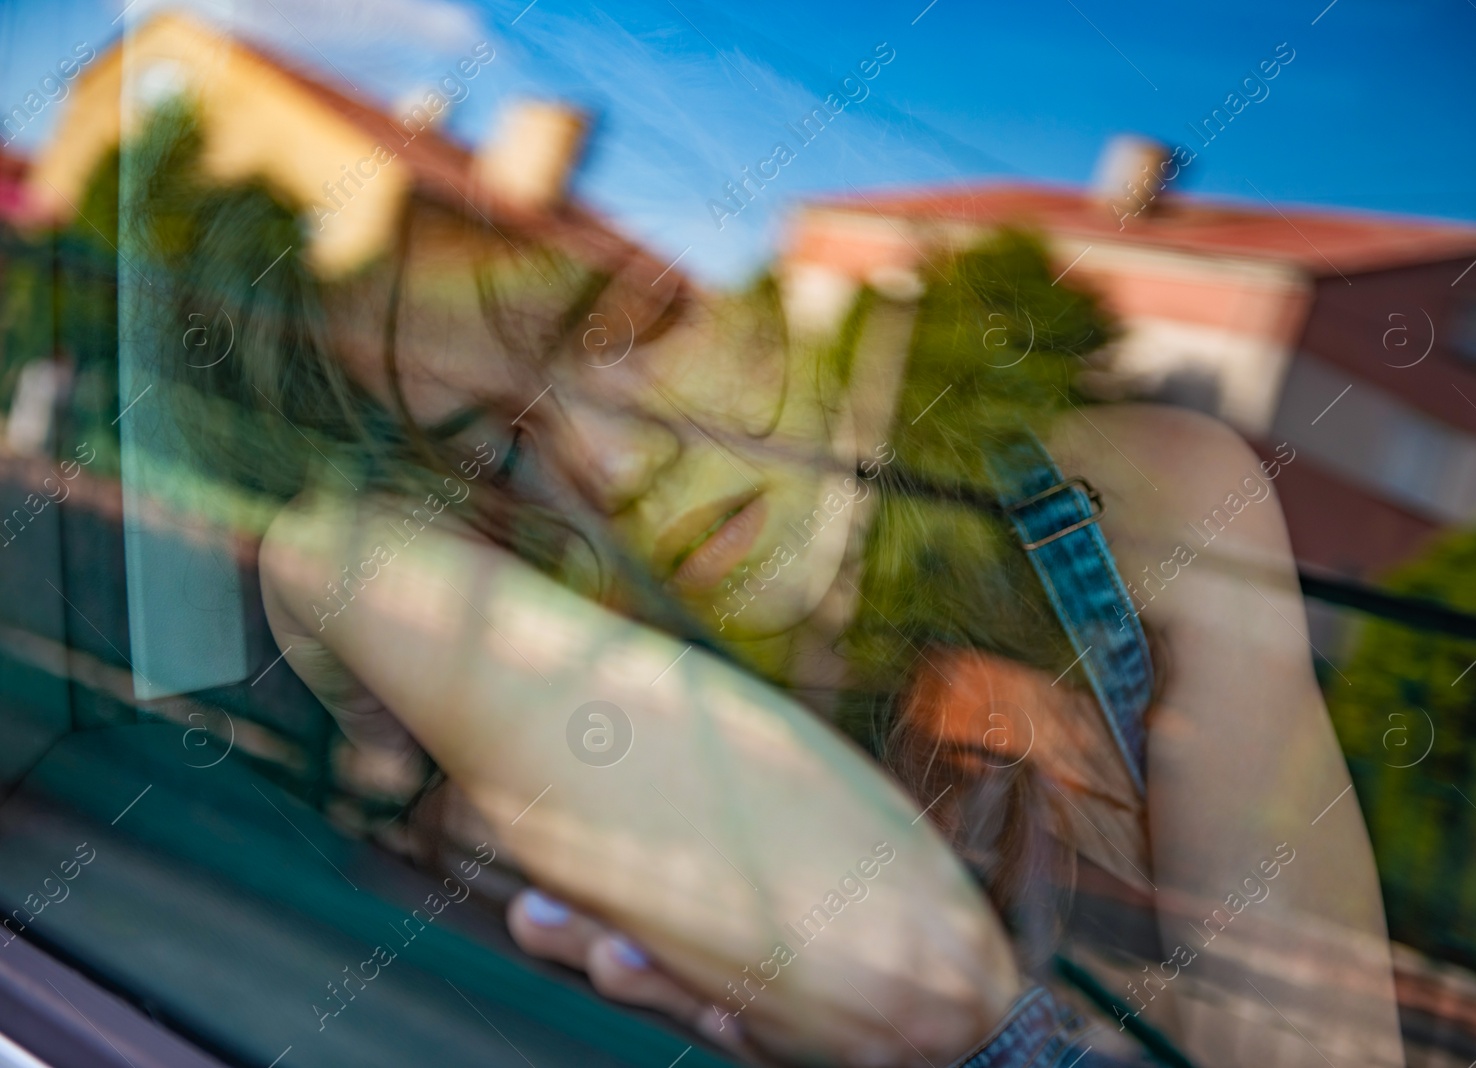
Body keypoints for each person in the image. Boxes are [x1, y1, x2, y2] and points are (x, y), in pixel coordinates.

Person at [142, 106, 1404, 1067]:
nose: (616, 468)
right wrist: (333, 548)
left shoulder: (1146, 511)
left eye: (621, 328)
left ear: (789, 298)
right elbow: (896, 964)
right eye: (500, 437)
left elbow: (1300, 1046)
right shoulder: (544, 639)